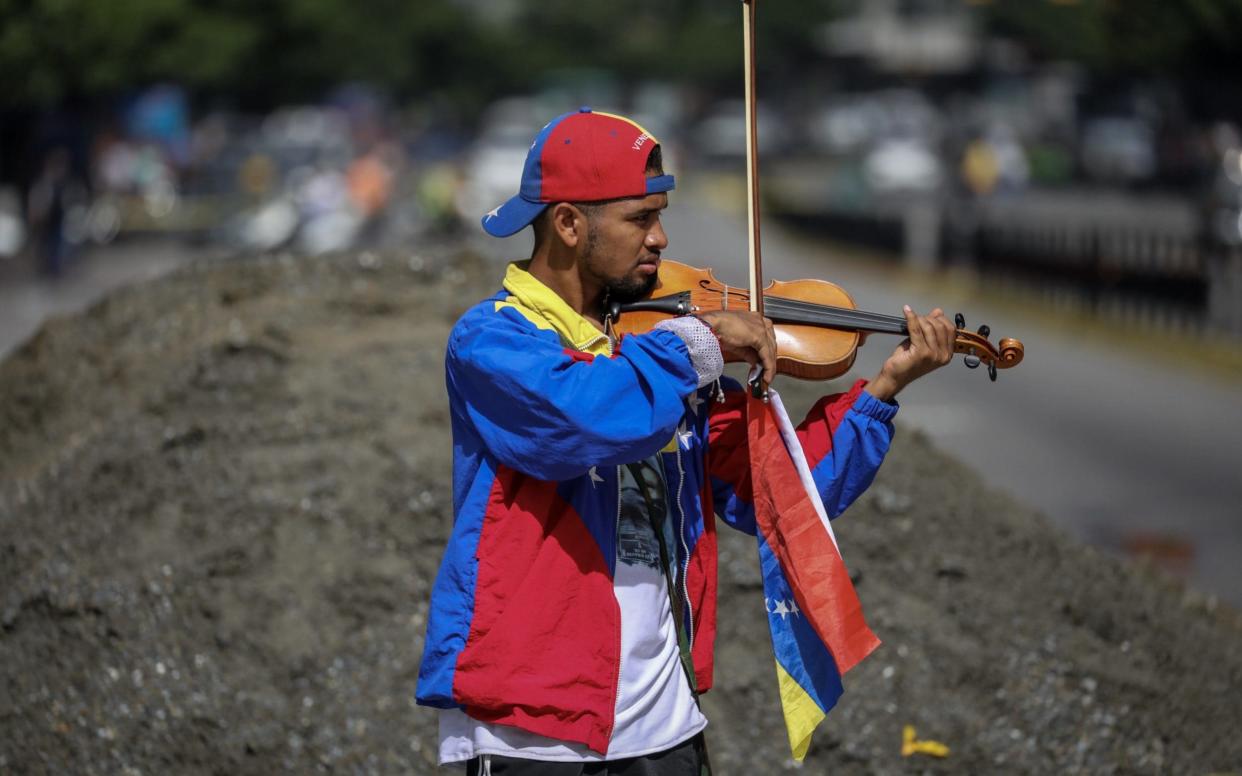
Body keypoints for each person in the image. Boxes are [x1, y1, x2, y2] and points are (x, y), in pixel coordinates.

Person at [416, 108, 957, 774]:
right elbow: (585, 421)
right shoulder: (493, 341)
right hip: (533, 731)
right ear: (567, 223)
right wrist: (697, 346)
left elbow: (781, 496)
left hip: (665, 727)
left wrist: (882, 392)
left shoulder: (658, 353)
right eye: (641, 218)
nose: (661, 239)